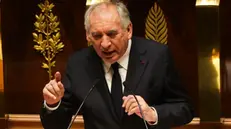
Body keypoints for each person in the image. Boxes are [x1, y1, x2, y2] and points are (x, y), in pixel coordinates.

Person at [40, 1, 194, 129]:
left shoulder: (157, 56)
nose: (105, 44)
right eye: (97, 36)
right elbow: (57, 125)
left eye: (112, 34)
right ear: (88, 35)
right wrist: (53, 104)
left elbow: (184, 109)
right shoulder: (79, 64)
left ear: (128, 30)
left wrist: (152, 113)